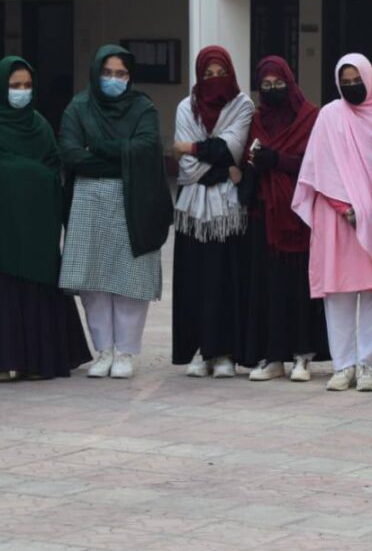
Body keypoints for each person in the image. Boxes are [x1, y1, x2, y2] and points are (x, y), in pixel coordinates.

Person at [59, 44, 172, 379]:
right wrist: (121, 157)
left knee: (129, 279)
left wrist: (102, 149)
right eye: (107, 73)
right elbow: (70, 153)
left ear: (130, 76)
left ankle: (125, 352)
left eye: (121, 73)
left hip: (133, 200)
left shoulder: (142, 108)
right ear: (96, 73)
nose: (113, 79)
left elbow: (147, 146)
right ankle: (103, 351)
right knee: (93, 280)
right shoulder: (78, 107)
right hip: (88, 200)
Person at [292, 54, 372, 392]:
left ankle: (367, 366)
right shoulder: (330, 116)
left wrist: (370, 208)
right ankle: (343, 365)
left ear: (370, 78)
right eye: (345, 81)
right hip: (336, 216)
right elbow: (318, 167)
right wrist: (344, 205)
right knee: (338, 293)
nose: (352, 87)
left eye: (357, 80)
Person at [237, 56, 329, 382]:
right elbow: (248, 156)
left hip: (299, 213)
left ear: (290, 83)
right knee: (269, 286)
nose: (273, 89)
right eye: (266, 85)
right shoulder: (258, 119)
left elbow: (315, 163)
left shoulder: (310, 117)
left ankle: (302, 355)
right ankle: (272, 355)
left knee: (300, 285)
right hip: (265, 214)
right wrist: (256, 161)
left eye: (278, 84)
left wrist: (278, 160)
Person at [0, 56, 91, 380]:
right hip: (5, 230)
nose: (21, 92)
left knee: (38, 288)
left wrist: (20, 174)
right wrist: (29, 174)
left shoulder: (39, 125)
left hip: (38, 228)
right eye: (14, 86)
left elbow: (54, 170)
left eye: (26, 86)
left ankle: (39, 360)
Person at [172, 46, 254, 378]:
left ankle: (225, 353)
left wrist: (194, 148)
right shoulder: (184, 107)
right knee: (196, 281)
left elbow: (231, 148)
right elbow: (189, 167)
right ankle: (199, 350)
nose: (214, 80)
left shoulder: (242, 105)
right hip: (194, 212)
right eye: (207, 75)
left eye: (221, 73)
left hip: (228, 212)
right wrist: (226, 170)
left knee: (227, 280)